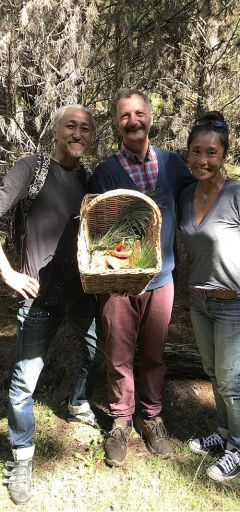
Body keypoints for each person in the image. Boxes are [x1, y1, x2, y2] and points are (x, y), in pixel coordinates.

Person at [0, 104, 101, 505]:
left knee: (98, 352)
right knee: (24, 382)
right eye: (70, 127)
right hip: (39, 298)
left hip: (81, 294)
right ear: (56, 131)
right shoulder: (31, 169)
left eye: (85, 128)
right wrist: (8, 273)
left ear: (91, 136)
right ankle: (22, 456)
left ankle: (78, 402)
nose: (77, 134)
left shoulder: (87, 179)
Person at [90, 89, 194, 466]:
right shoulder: (105, 171)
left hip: (161, 279)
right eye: (124, 117)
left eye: (138, 114)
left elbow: (198, 198)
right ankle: (120, 419)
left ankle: (150, 416)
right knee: (118, 354)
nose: (132, 121)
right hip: (118, 283)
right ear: (116, 124)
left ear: (150, 116)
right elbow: (95, 228)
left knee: (153, 352)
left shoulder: (172, 165)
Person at [179, 111, 240, 483]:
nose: (203, 160)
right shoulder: (186, 195)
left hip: (233, 301)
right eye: (197, 151)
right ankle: (222, 431)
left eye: (212, 153)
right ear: (188, 153)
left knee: (232, 382)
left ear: (224, 155)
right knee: (213, 374)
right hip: (199, 301)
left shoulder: (236, 194)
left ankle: (237, 446)